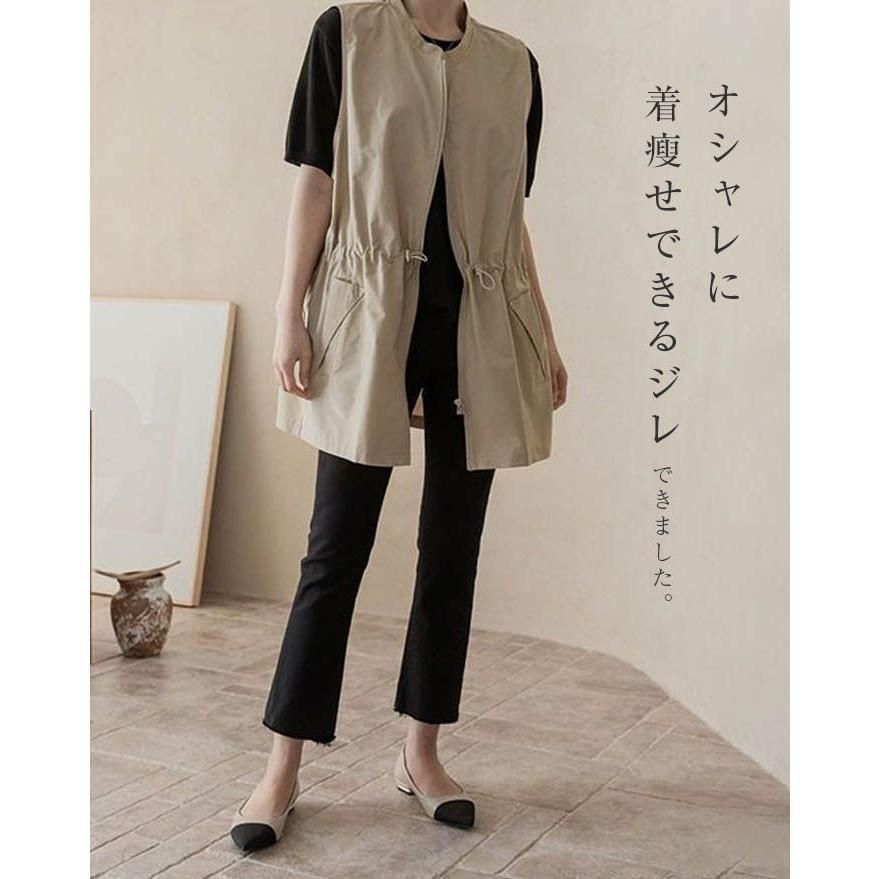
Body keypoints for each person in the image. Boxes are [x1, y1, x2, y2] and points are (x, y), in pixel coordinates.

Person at [229, 0, 567, 851]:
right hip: (367, 316)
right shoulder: (346, 34)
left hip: (478, 324)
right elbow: (315, 180)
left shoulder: (512, 65)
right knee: (334, 546)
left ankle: (421, 753)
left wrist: (543, 333)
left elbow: (510, 219)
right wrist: (288, 312)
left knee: (452, 548)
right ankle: (280, 766)